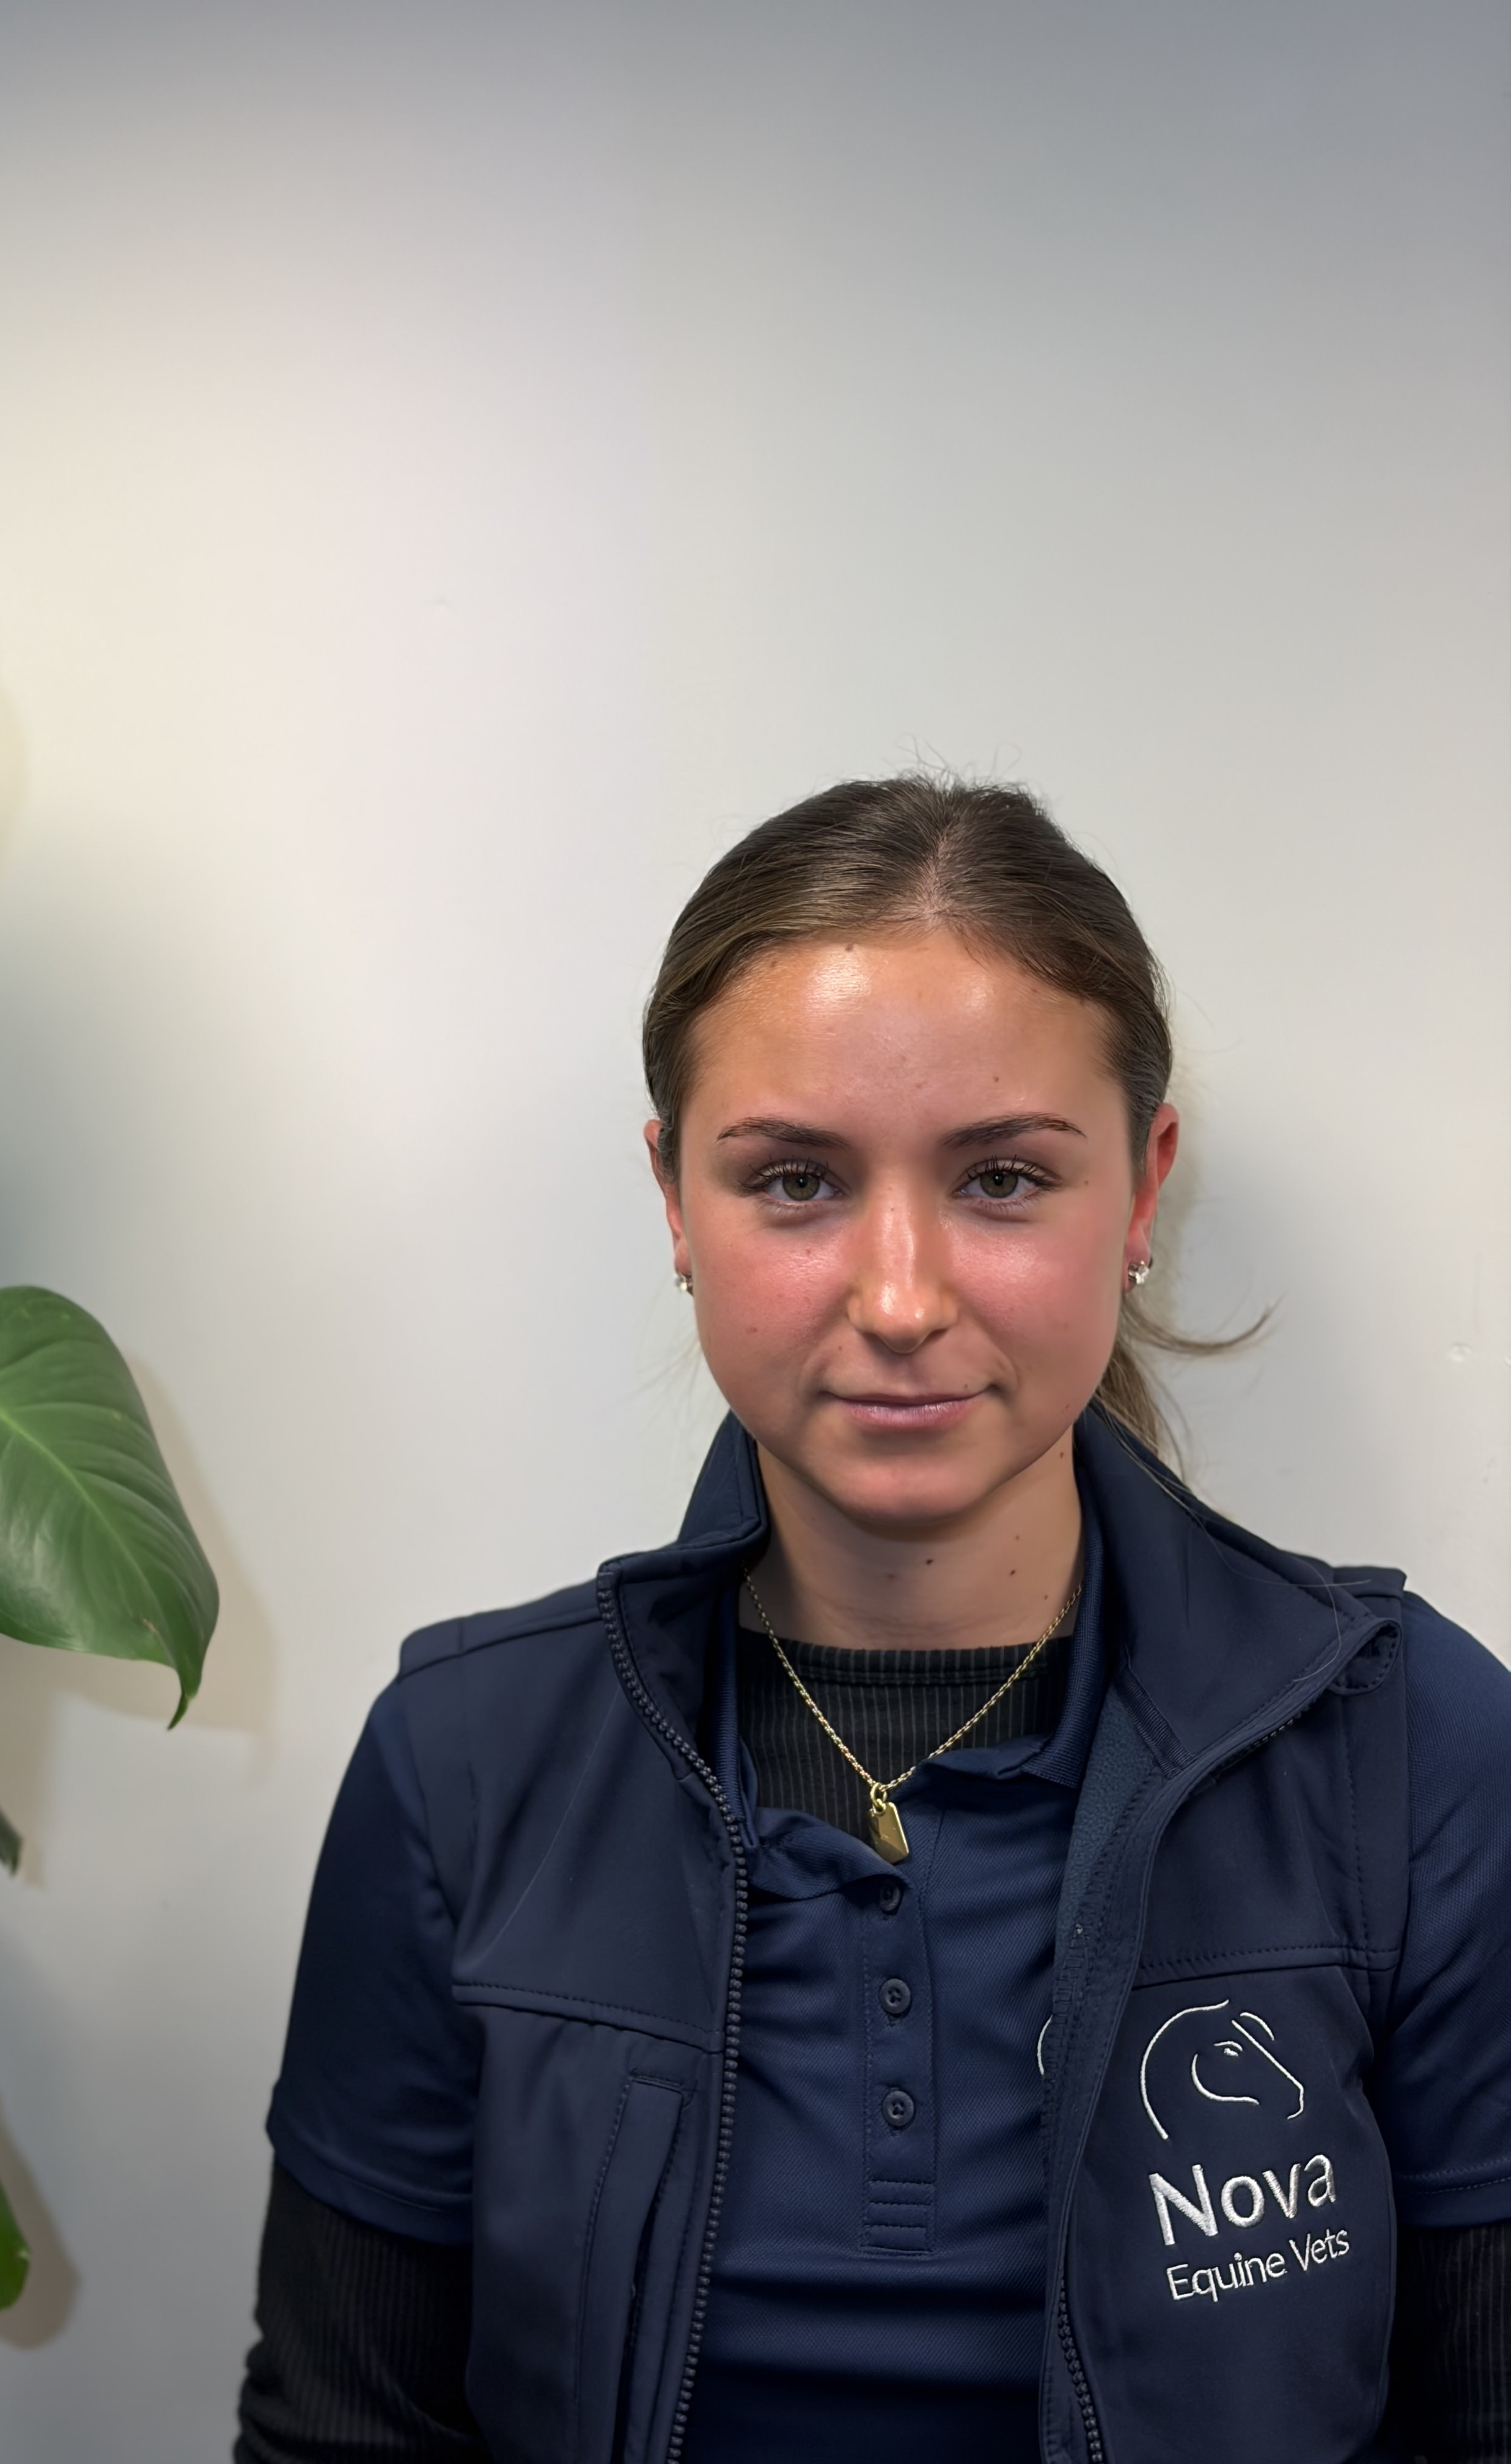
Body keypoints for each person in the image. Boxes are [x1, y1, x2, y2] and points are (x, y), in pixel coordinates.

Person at [235, 776, 1511, 2463]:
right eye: (793, 1183)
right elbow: (345, 2435)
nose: (901, 1297)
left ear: (1142, 1192)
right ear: (676, 1206)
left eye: (1000, 1179)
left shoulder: (1410, 1744)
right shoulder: (466, 1768)